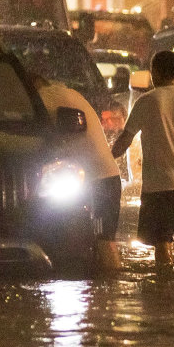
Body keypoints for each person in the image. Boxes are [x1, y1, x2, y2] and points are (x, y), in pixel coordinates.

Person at [110, 50, 174, 265]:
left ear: (154, 72)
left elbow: (125, 141)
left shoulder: (147, 101)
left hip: (159, 185)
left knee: (161, 243)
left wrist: (104, 158)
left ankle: (164, 287)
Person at [32, 74, 123, 271]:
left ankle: (113, 283)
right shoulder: (68, 93)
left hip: (98, 181)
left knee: (103, 241)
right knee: (101, 240)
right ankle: (106, 291)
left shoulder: (45, 97)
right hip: (104, 178)